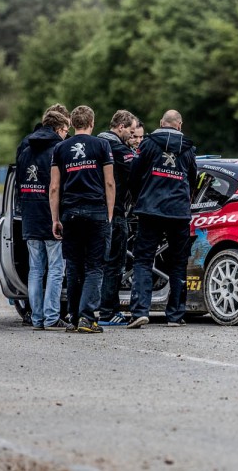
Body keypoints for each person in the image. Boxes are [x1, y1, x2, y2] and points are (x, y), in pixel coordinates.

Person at [125, 109, 197, 329]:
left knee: (143, 260)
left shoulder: (147, 144)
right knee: (178, 263)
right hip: (178, 213)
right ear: (179, 125)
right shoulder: (189, 149)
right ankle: (175, 316)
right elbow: (193, 179)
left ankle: (139, 311)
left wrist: (140, 199)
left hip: (150, 210)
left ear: (161, 123)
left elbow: (134, 174)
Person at [49, 105, 115, 334]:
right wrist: (109, 213)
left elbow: (54, 187)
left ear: (73, 124)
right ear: (92, 123)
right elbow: (109, 183)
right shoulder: (102, 145)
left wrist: (55, 219)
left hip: (71, 213)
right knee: (95, 267)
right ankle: (88, 318)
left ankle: (74, 318)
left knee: (74, 268)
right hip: (96, 212)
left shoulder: (60, 148)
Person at [16, 110, 69, 331]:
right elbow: (59, 187)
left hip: (29, 216)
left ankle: (37, 318)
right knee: (56, 270)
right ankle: (51, 317)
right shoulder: (58, 151)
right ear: (58, 129)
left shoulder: (25, 151)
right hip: (51, 217)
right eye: (66, 130)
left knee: (35, 270)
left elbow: (19, 186)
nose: (67, 135)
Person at [97, 110, 139, 324]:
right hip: (115, 213)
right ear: (120, 127)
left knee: (91, 264)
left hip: (92, 211)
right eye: (131, 131)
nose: (132, 136)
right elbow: (139, 171)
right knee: (114, 264)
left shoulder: (95, 144)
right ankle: (108, 312)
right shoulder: (117, 148)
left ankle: (82, 312)